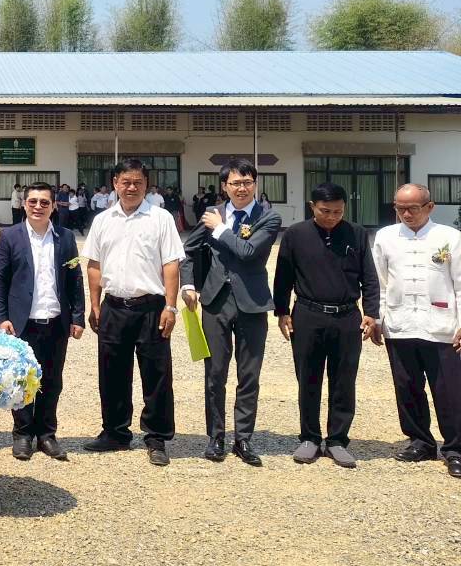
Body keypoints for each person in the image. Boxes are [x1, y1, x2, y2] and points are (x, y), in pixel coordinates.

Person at [81, 159, 184, 466]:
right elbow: (94, 265)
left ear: (146, 184)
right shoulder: (103, 220)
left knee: (157, 374)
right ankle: (115, 432)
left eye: (137, 182)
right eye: (125, 182)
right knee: (112, 373)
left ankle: (157, 437)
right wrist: (94, 304)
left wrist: (170, 306)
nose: (131, 188)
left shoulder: (160, 219)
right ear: (115, 183)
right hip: (113, 307)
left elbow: (171, 264)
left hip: (151, 308)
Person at [181, 159, 282, 466]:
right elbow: (189, 251)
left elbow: (248, 252)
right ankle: (215, 436)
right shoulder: (212, 214)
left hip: (252, 302)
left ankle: (243, 438)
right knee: (215, 373)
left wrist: (221, 229)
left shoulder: (268, 217)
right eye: (235, 183)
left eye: (247, 182)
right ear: (224, 186)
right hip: (216, 301)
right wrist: (188, 284)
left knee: (249, 374)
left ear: (255, 184)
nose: (242, 188)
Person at [272, 182, 380, 469]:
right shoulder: (296, 235)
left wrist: (371, 312)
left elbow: (369, 277)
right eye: (325, 211)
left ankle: (337, 440)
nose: (332, 217)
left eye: (338, 211)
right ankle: (309, 437)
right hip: (308, 315)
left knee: (344, 380)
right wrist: (282, 311)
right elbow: (283, 276)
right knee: (308, 378)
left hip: (347, 317)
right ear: (312, 207)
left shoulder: (356, 233)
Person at [0, 182, 85, 462]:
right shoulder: (10, 236)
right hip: (21, 324)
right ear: (24, 204)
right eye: (33, 201)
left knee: (52, 381)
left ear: (54, 206)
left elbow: (74, 278)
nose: (38, 207)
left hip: (56, 321)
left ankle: (46, 434)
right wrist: (0, 317)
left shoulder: (65, 238)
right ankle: (22, 434)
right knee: (21, 380)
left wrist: (77, 316)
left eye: (45, 202)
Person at [373, 183, 461, 479]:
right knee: (407, 386)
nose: (406, 214)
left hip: (442, 326)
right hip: (400, 325)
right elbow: (380, 283)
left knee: (449, 390)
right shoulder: (386, 237)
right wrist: (378, 319)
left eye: (413, 208)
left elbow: (460, 284)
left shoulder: (450, 237)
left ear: (430, 207)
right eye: (400, 209)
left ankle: (455, 448)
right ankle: (420, 441)